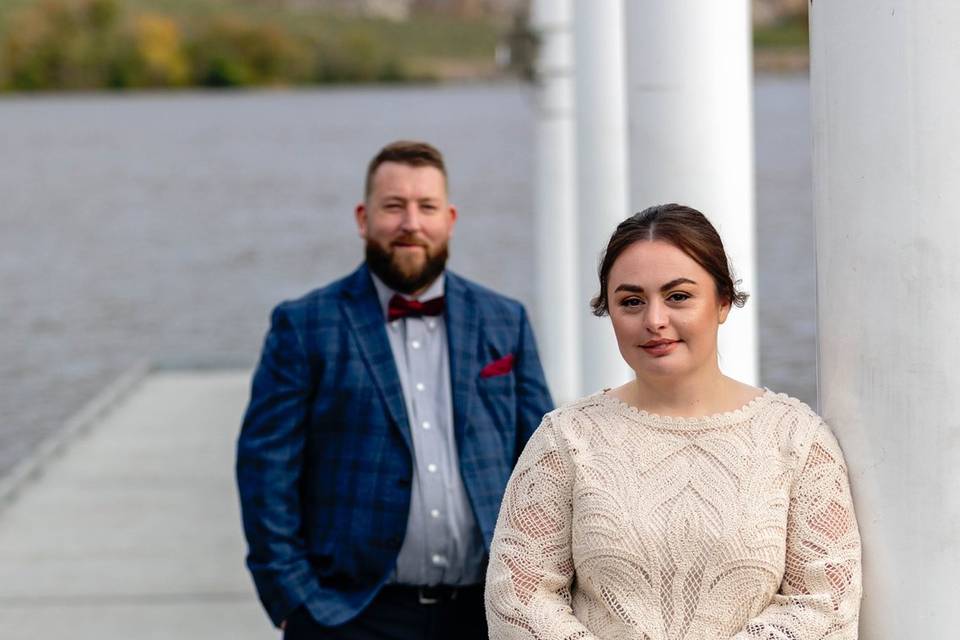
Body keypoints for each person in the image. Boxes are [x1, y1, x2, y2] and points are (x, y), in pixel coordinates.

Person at [485, 204, 862, 639]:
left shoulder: (796, 439)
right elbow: (518, 596)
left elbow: (825, 600)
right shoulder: (565, 438)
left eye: (678, 296)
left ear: (722, 302)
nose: (655, 321)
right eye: (631, 302)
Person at [236, 140, 554, 639]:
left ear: (449, 219)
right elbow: (265, 470)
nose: (411, 223)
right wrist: (292, 600)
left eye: (426, 207)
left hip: (488, 613)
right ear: (364, 218)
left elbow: (543, 464)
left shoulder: (504, 320)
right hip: (349, 616)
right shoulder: (303, 325)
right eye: (393, 206)